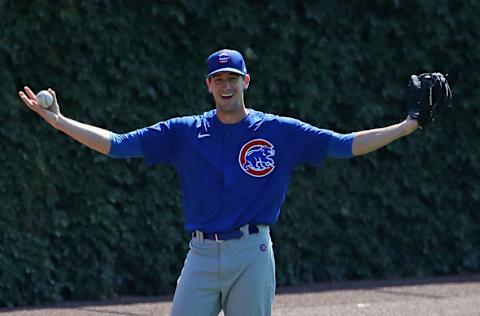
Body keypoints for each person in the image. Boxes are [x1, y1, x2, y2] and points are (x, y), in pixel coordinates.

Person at [19, 48, 419, 316]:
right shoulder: (184, 131)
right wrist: (58, 121)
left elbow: (343, 145)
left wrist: (405, 127)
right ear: (208, 85)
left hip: (252, 251)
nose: (226, 85)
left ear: (247, 80)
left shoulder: (279, 130)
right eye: (218, 79)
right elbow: (118, 145)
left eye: (233, 77)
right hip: (202, 254)